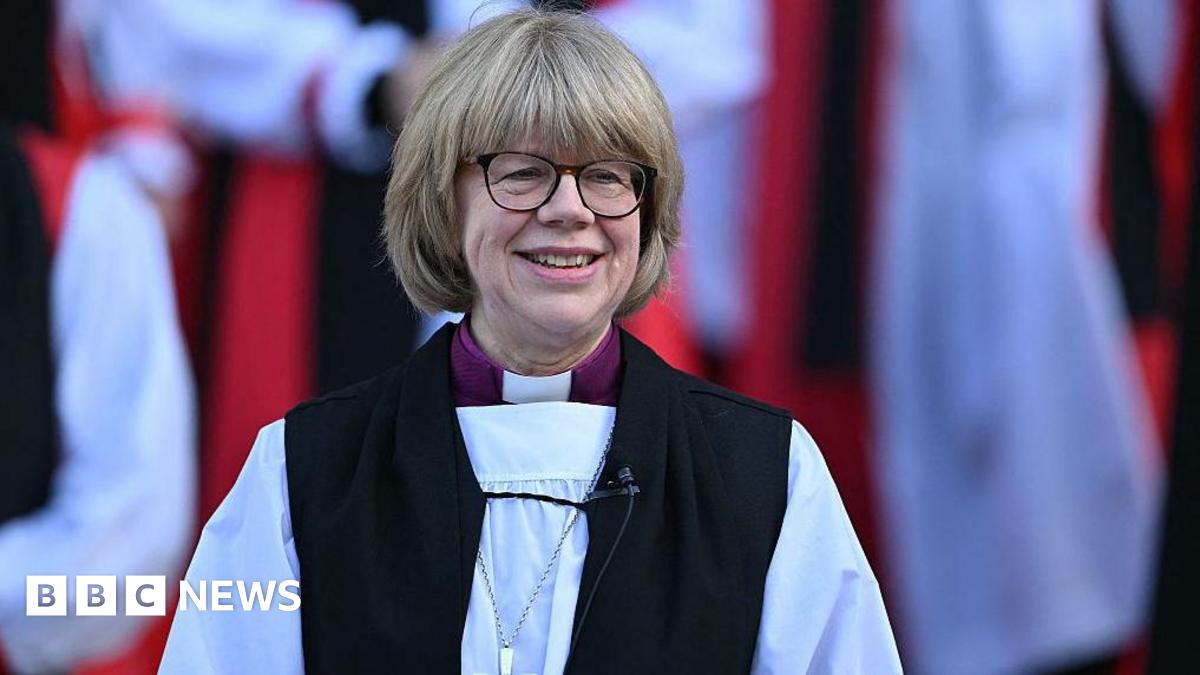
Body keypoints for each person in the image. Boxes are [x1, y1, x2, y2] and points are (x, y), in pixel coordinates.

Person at [161, 9, 901, 673]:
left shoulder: (764, 474)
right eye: (521, 173)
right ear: (442, 203)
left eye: (608, 176)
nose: (569, 209)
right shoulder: (304, 472)